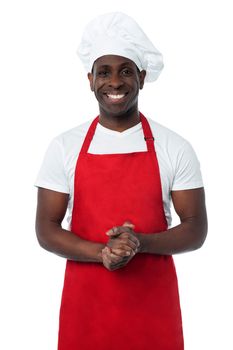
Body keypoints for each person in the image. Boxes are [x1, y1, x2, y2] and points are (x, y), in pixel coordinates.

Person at [35, 12, 208, 350]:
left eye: (126, 71)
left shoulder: (174, 146)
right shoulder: (64, 146)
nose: (114, 82)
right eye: (104, 72)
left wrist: (138, 242)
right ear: (90, 79)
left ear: (142, 78)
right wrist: (102, 253)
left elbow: (196, 229)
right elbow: (46, 229)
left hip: (153, 309)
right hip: (86, 310)